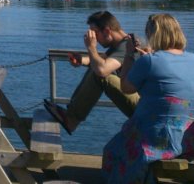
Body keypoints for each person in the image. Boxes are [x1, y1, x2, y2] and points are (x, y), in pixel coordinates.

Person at [102, 14, 194, 183]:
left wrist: (129, 55)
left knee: (111, 150)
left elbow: (126, 88)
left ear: (154, 34)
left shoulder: (149, 61)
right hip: (188, 138)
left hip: (158, 138)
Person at [44, 10, 139, 134]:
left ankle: (72, 119)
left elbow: (102, 70)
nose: (94, 39)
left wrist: (91, 47)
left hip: (143, 104)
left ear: (107, 31)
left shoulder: (127, 46)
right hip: (142, 101)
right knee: (96, 69)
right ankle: (70, 115)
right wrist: (81, 60)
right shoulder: (122, 43)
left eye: (94, 34)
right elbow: (102, 62)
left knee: (99, 75)